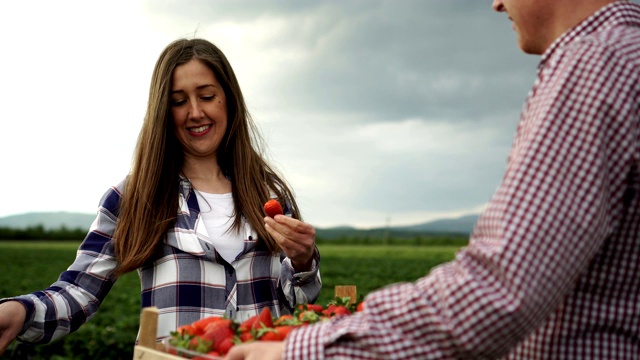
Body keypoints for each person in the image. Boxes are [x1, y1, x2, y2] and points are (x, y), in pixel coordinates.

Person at [226, 0, 640, 359]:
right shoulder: (625, 53)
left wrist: (304, 350)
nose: (496, 5)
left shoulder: (591, 64)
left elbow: (498, 290)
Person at [0, 38, 321, 355]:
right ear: (162, 112)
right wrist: (21, 310)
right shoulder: (135, 197)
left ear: (229, 100)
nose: (195, 112)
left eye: (207, 96)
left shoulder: (268, 195)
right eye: (178, 101)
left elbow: (296, 299)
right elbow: (79, 292)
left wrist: (303, 260)